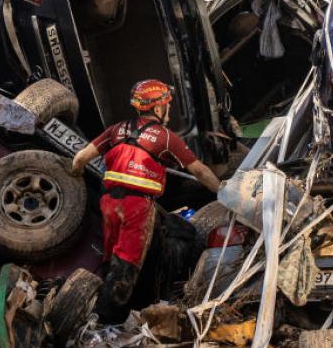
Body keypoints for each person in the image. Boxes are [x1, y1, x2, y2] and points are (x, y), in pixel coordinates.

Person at [70, 79, 221, 320]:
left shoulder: (116, 130)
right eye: (167, 106)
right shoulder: (166, 138)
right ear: (158, 109)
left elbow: (79, 160)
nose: (168, 111)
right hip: (136, 206)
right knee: (126, 266)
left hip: (109, 202)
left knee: (111, 258)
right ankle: (105, 323)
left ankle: (107, 306)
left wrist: (75, 176)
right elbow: (200, 171)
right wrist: (222, 191)